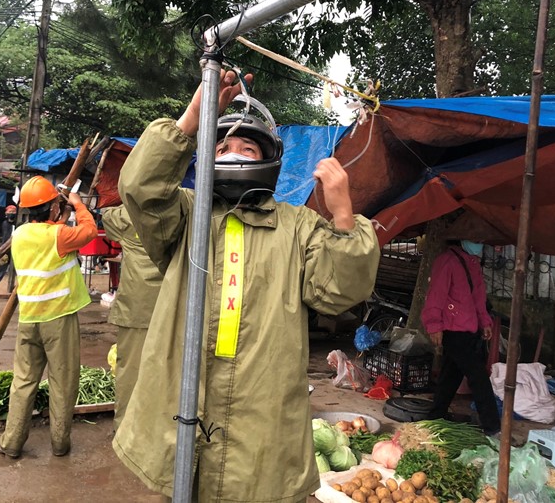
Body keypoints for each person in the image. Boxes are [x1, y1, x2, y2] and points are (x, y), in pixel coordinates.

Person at [112, 70, 380, 502]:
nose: (234, 153)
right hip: (183, 404)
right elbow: (140, 188)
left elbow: (338, 294)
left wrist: (344, 214)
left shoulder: (299, 226)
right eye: (221, 147)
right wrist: (194, 115)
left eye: (246, 147)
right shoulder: (184, 215)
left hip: (261, 410)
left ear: (268, 159)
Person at [0, 176, 97, 459]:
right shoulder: (59, 235)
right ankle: (60, 443)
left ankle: (11, 442)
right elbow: (89, 232)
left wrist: (58, 212)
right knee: (62, 381)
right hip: (58, 318)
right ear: (52, 207)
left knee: (24, 381)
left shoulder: (20, 234)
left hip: (29, 318)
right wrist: (78, 205)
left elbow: (48, 231)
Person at [422, 239, 501, 435]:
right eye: (475, 240)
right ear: (463, 239)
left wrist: (484, 322)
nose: (479, 244)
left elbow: (479, 297)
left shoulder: (473, 263)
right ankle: (492, 428)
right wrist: (434, 326)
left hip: (469, 330)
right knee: (478, 376)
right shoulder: (447, 261)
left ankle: (435, 416)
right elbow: (436, 295)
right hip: (453, 330)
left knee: (451, 375)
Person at [100, 204, 163, 433]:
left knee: (130, 371)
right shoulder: (182, 211)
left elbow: (107, 217)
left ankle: (126, 428)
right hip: (171, 304)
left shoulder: (127, 216)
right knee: (168, 369)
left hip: (136, 306)